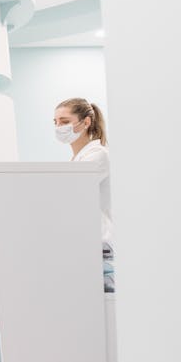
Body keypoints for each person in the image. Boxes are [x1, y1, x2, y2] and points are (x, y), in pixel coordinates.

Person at [54, 97, 114, 292]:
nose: (58, 127)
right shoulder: (79, 158)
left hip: (101, 246)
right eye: (55, 122)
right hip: (87, 242)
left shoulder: (98, 154)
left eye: (64, 121)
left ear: (86, 122)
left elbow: (71, 193)